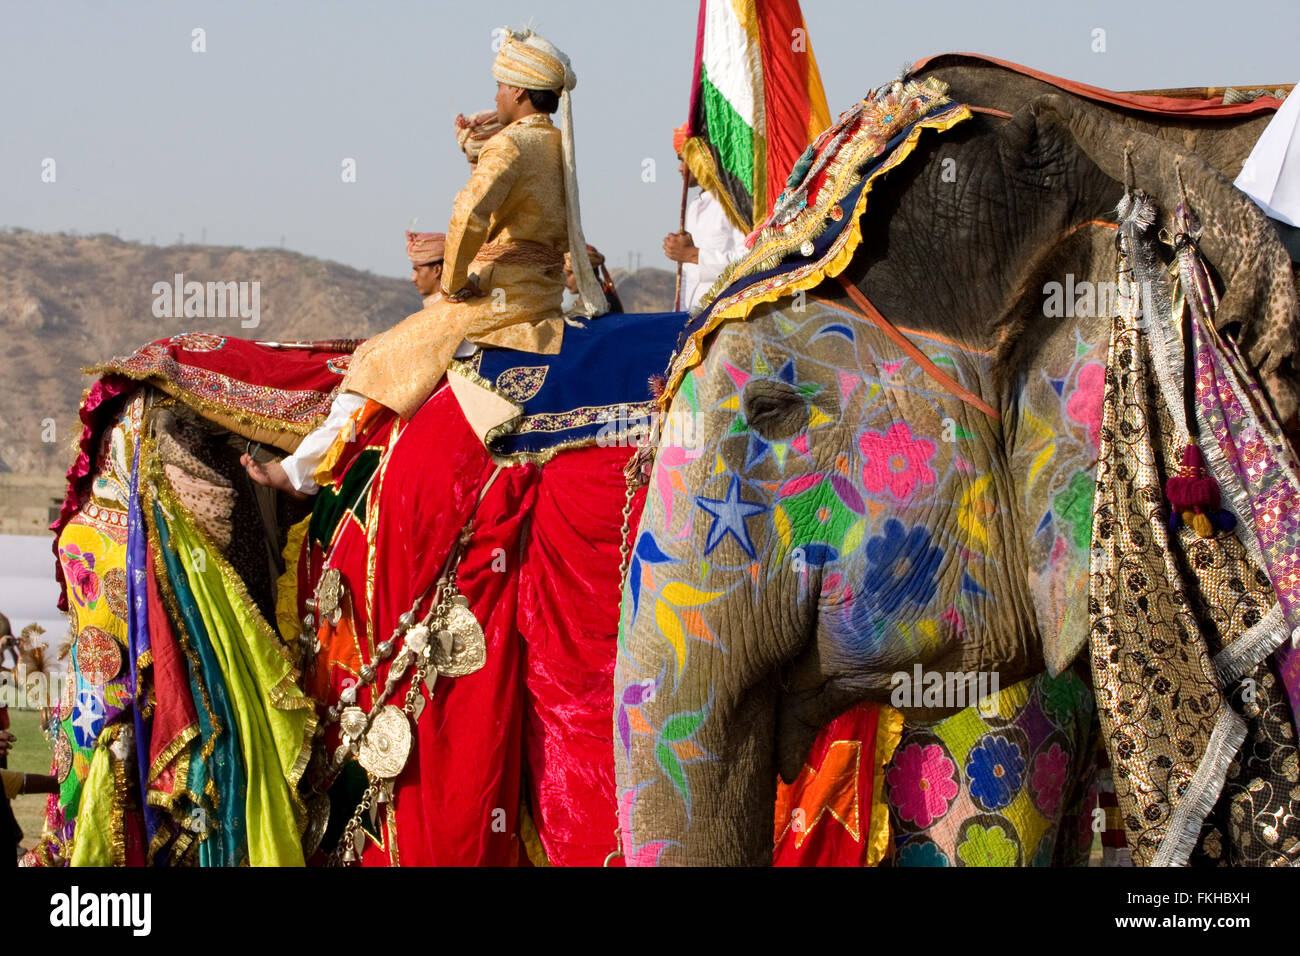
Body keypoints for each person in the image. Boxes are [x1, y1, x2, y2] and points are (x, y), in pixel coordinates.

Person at [244, 27, 605, 495]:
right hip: (540, 296)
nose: (494, 94)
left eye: (499, 85)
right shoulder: (556, 144)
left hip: (503, 303)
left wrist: (454, 281)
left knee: (380, 356)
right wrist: (479, 143)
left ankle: (298, 474)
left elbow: (469, 211)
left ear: (517, 90)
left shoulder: (512, 145)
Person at [241, 231, 456, 497]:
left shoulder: (448, 315)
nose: (412, 278)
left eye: (417, 269)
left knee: (353, 404)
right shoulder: (437, 313)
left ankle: (299, 476)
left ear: (437, 270)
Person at [663, 123, 748, 312]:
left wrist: (693, 255)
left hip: (727, 319)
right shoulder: (695, 205)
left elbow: (752, 262)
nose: (679, 168)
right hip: (692, 318)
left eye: (683, 159)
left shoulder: (736, 201)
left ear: (703, 157)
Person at [564, 243, 623, 313]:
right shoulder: (593, 298)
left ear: (585, 273)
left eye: (568, 274)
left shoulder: (599, 303)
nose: (564, 281)